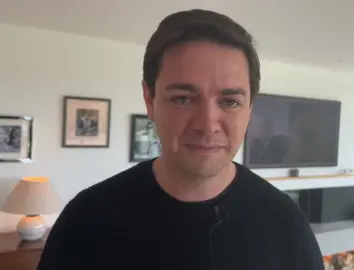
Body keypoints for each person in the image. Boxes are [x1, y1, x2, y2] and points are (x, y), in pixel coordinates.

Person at [37, 9, 324, 270]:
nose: (208, 124)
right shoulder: (87, 220)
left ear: (250, 108)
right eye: (183, 98)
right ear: (150, 100)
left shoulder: (286, 224)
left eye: (230, 102)